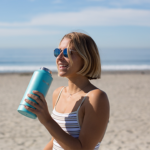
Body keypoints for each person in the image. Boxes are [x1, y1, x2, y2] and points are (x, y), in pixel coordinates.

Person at [24, 32, 110, 150]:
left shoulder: (96, 97)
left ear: (86, 57)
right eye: (57, 52)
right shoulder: (58, 93)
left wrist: (47, 120)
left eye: (67, 53)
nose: (59, 58)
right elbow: (56, 140)